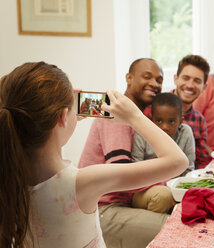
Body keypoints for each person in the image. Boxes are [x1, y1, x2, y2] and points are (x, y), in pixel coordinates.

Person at [0, 62, 188, 248]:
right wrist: (134, 117)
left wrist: (65, 117)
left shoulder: (9, 180)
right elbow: (177, 161)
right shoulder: (82, 183)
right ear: (62, 117)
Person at [78, 58, 170, 247]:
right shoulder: (115, 110)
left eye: (159, 80)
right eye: (147, 77)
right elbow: (120, 177)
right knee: (175, 230)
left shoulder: (140, 116)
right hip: (102, 209)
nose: (154, 83)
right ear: (129, 78)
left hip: (126, 201)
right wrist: (168, 180)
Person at [131, 93, 195, 213]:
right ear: (151, 119)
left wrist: (176, 190)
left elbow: (188, 170)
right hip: (145, 190)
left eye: (171, 122)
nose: (165, 127)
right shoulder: (141, 135)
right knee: (162, 196)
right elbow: (136, 170)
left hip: (177, 188)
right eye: (159, 121)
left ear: (180, 121)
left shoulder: (186, 133)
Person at [172, 55, 211, 168]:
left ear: (204, 87)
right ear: (175, 79)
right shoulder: (153, 110)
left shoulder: (199, 120)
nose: (190, 85)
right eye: (185, 78)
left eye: (197, 81)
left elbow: (202, 161)